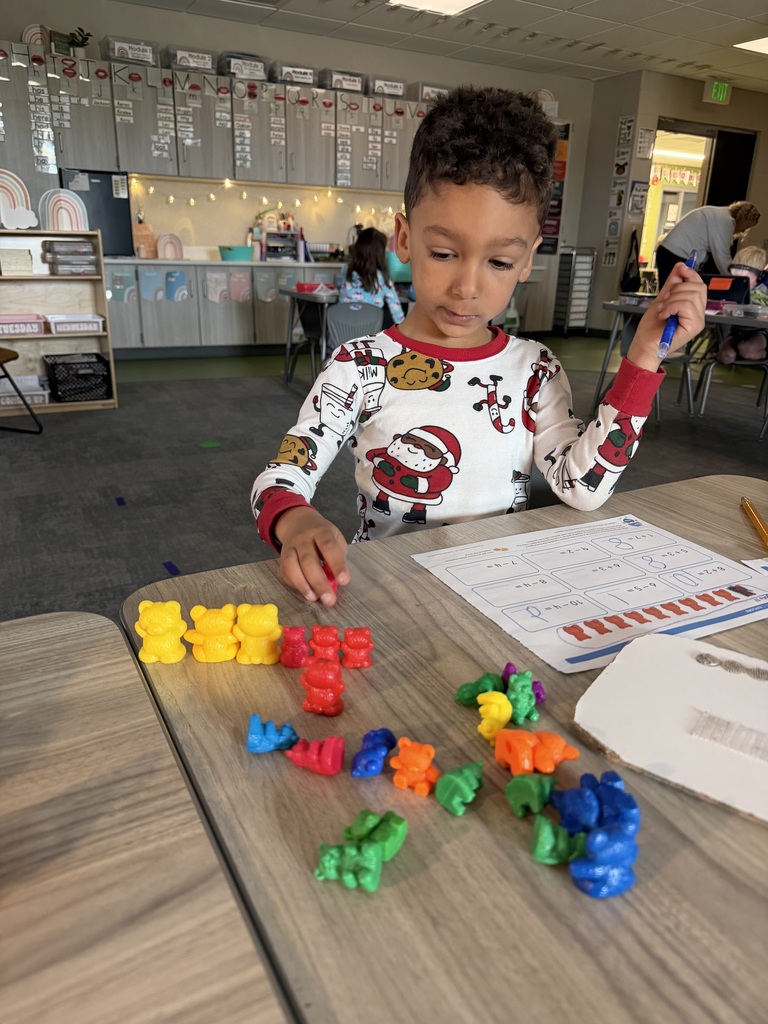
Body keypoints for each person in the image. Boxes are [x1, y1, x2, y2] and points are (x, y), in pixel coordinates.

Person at [251, 86, 705, 607]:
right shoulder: (361, 365)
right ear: (403, 237)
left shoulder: (535, 371)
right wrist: (295, 516)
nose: (467, 287)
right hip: (389, 596)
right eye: (443, 252)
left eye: (499, 263)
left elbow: (582, 486)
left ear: (530, 259)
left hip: (504, 595)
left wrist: (643, 357)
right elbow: (283, 472)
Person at [655, 201, 761, 288]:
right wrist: (738, 282)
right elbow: (723, 258)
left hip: (668, 252)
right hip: (674, 256)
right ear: (743, 221)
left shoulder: (719, 214)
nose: (743, 231)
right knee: (672, 298)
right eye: (746, 227)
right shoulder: (725, 222)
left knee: (668, 296)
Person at [338, 227, 404, 327]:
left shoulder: (346, 271)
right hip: (370, 336)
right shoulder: (383, 278)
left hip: (343, 333)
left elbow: (339, 286)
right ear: (380, 253)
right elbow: (397, 312)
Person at [717, 245, 768, 363]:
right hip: (739, 329)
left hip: (762, 331)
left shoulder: (764, 286)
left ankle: (762, 354)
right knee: (726, 355)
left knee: (747, 350)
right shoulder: (733, 285)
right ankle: (741, 352)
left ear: (759, 275)